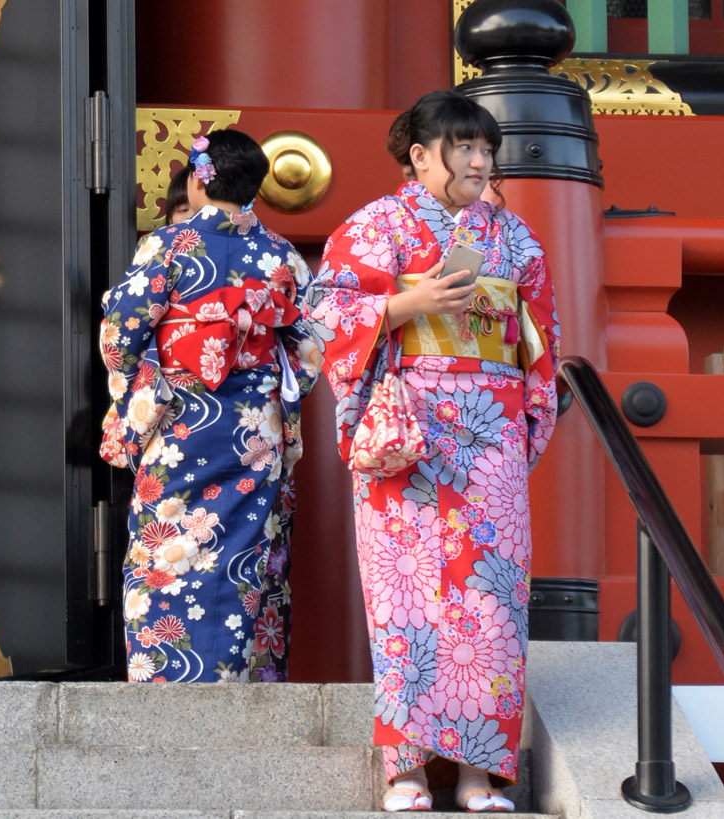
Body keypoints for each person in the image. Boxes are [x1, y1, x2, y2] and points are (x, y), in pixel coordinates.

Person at [305, 90, 559, 811]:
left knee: (492, 600)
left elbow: (540, 333)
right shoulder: (376, 225)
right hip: (408, 428)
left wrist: (526, 417)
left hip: (490, 428)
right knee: (405, 598)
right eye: (464, 147)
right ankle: (406, 771)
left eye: (487, 149)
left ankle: (480, 772)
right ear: (419, 156)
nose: (481, 162)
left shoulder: (515, 237)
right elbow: (325, 312)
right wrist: (404, 305)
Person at [99, 128, 321, 683]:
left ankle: (166, 678)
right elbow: (310, 352)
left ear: (199, 182)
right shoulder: (283, 256)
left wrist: (139, 389)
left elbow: (121, 333)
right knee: (247, 549)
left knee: (167, 546)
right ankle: (240, 676)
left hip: (181, 423)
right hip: (254, 428)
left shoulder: (167, 245)